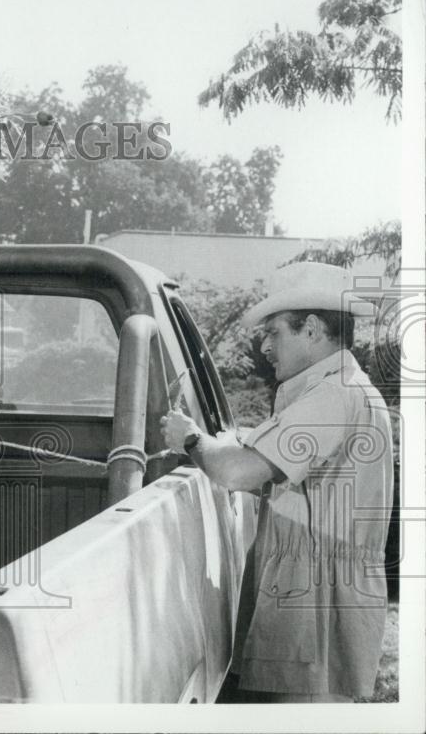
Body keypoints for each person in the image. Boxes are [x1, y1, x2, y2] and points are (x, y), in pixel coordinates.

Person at [159, 261, 393, 703]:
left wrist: (191, 438)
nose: (265, 346)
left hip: (312, 605)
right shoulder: (338, 390)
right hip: (316, 596)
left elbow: (238, 471)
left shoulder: (333, 395)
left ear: (312, 329)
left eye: (274, 332)